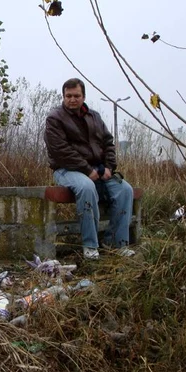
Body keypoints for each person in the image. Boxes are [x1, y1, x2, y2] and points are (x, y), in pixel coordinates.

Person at [44, 78, 135, 259]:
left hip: (98, 170)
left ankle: (116, 243)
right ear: (63, 96)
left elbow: (108, 143)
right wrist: (87, 170)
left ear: (83, 96)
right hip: (66, 170)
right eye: (68, 96)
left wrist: (109, 167)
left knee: (125, 190)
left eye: (76, 95)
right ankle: (90, 246)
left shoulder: (94, 117)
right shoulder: (55, 118)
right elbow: (60, 151)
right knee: (86, 187)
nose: (72, 99)